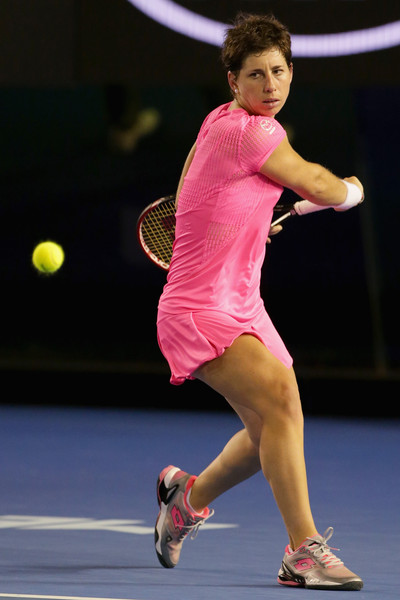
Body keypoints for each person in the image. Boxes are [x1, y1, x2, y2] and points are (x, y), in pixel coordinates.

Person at [154, 13, 364, 591]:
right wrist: (351, 191)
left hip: (243, 302)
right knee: (280, 402)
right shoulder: (254, 131)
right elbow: (316, 183)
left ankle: (186, 499)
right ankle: (304, 551)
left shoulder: (218, 123)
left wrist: (247, 223)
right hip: (199, 309)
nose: (269, 85)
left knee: (270, 428)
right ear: (233, 83)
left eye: (277, 72)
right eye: (254, 75)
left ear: (291, 73)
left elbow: (198, 191)